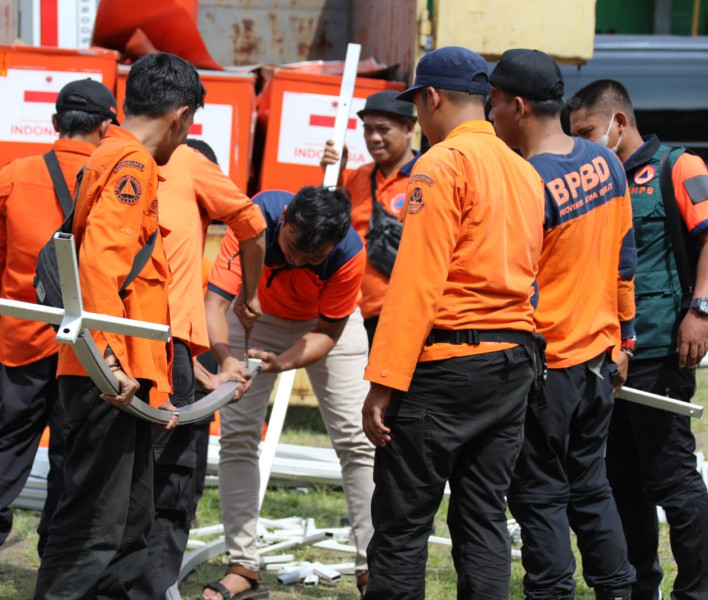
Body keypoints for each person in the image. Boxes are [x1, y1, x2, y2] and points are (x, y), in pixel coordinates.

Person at [361, 46, 545, 599]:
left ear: (432, 98)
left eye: (416, 104)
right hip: (512, 362)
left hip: (446, 365)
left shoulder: (439, 164)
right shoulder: (523, 170)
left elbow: (416, 281)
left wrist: (382, 383)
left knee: (402, 524)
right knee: (484, 517)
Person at [33, 52, 205, 600]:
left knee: (130, 528)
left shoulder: (111, 157)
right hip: (107, 377)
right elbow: (101, 264)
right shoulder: (130, 165)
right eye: (189, 126)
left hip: (119, 377)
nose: (184, 138)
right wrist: (107, 359)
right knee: (94, 531)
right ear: (180, 116)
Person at [0, 79, 119, 599]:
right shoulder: (116, 177)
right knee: (73, 453)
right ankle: (57, 560)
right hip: (85, 347)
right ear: (107, 125)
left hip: (22, 335)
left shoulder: (16, 174)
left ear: (55, 122)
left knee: (4, 443)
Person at [489, 49, 637, 600]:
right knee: (592, 486)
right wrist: (625, 338)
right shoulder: (608, 163)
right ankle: (617, 590)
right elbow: (625, 259)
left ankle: (551, 592)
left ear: (519, 106)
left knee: (540, 494)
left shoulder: (528, 182)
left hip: (546, 367)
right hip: (600, 359)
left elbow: (517, 286)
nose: (491, 118)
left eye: (495, 106)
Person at [569, 79, 708, 600]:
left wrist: (701, 310)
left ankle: (696, 591)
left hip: (662, 350)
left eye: (587, 130)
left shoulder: (679, 167)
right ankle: (637, 590)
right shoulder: (595, 180)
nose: (582, 141)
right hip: (607, 355)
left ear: (618, 122)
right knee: (621, 481)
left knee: (671, 478)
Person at [201, 185, 373, 600]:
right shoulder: (255, 216)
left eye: (311, 258)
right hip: (257, 317)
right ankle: (243, 564)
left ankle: (374, 568)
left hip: (325, 325)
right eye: (292, 247)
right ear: (286, 221)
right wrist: (226, 359)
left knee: (358, 441)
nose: (296, 260)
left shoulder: (349, 251)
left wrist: (284, 363)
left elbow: (328, 335)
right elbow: (213, 305)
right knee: (239, 438)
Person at [128, 138, 266, 600]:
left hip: (118, 351)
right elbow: (252, 223)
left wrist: (212, 374)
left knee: (121, 476)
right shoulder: (201, 252)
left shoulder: (122, 182)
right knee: (174, 479)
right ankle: (151, 587)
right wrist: (250, 294)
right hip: (164, 357)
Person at [320, 90, 419, 342]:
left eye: (383, 129)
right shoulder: (357, 177)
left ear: (409, 129)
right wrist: (333, 175)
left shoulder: (427, 176)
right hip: (354, 312)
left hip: (404, 315)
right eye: (367, 129)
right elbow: (327, 227)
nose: (374, 138)